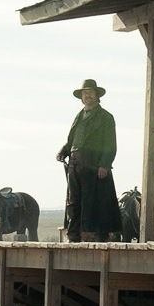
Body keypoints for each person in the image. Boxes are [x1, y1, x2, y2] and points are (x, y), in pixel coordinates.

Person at [55, 78, 121, 241]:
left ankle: (93, 235)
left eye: (90, 93)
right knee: (73, 200)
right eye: (85, 93)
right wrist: (64, 150)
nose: (88, 96)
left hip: (94, 166)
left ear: (97, 95)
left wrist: (104, 164)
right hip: (75, 165)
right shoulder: (78, 117)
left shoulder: (106, 117)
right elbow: (73, 140)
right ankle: (73, 235)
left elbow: (110, 144)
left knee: (94, 202)